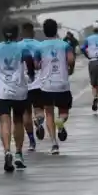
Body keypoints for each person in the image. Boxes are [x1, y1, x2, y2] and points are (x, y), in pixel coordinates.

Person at [0, 24, 36, 171]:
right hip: (19, 91)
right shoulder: (22, 48)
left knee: (5, 122)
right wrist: (31, 74)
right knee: (18, 121)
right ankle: (18, 153)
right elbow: (30, 63)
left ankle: (7, 152)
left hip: (2, 91)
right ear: (17, 34)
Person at [38, 18, 75, 155]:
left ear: (44, 31)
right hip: (62, 84)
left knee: (48, 113)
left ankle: (54, 143)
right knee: (64, 111)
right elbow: (70, 60)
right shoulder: (65, 45)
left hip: (46, 85)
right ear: (56, 30)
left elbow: (36, 64)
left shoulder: (40, 46)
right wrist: (70, 69)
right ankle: (60, 122)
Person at [19, 22, 43, 151]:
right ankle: (39, 122)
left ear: (22, 33)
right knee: (39, 110)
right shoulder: (39, 46)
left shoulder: (17, 47)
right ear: (33, 32)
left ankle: (32, 141)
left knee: (25, 114)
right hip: (38, 83)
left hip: (22, 85)